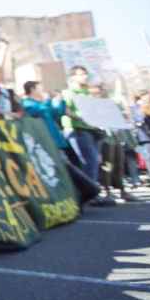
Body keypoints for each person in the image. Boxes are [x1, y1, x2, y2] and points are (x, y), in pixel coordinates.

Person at [62, 66, 114, 206]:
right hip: (76, 129)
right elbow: (65, 110)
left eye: (85, 74)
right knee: (88, 161)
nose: (85, 76)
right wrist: (81, 116)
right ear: (73, 77)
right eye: (81, 74)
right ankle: (89, 194)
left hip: (92, 130)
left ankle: (90, 193)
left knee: (93, 161)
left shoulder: (88, 92)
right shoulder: (68, 92)